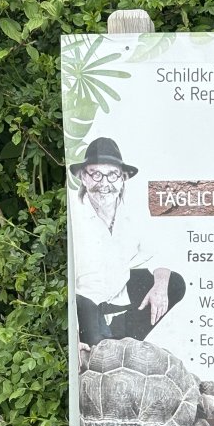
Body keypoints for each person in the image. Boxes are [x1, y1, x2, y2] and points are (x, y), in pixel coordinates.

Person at [68, 137, 185, 345]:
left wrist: (160, 285)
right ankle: (99, 337)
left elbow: (161, 251)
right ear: (83, 178)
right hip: (85, 302)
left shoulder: (131, 213)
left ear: (122, 179)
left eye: (112, 175)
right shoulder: (74, 217)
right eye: (96, 174)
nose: (105, 184)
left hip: (116, 296)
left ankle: (124, 338)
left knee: (174, 283)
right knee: (99, 352)